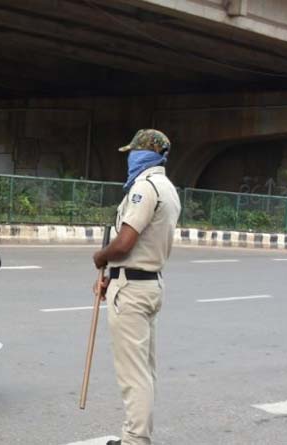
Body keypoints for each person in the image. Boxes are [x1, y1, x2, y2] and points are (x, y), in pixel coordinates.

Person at [92, 129, 180, 445]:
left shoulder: (145, 187)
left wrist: (101, 257)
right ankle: (138, 435)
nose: (129, 158)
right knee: (144, 370)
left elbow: (125, 242)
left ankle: (134, 440)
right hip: (149, 283)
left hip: (131, 290)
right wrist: (112, 274)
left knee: (133, 374)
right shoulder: (168, 188)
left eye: (132, 152)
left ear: (144, 154)